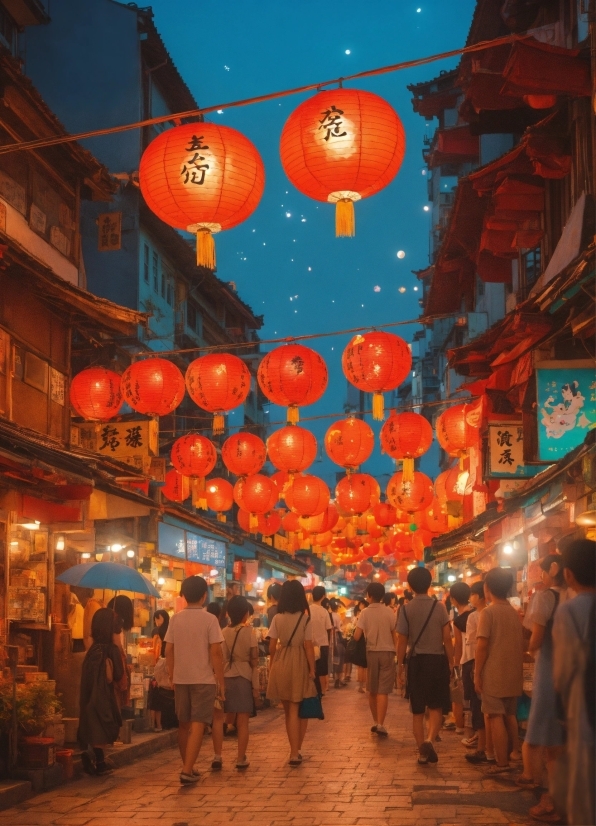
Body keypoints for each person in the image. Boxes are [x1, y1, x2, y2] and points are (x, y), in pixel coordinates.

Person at [515, 554, 567, 822]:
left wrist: (528, 650)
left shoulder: (546, 598)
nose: (543, 576)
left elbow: (536, 636)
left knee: (550, 740)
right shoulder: (575, 598)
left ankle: (551, 799)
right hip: (573, 674)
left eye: (544, 571)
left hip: (549, 671)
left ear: (554, 570)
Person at [165, 575, 225, 785]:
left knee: (183, 724)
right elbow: (216, 652)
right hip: (203, 678)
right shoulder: (210, 619)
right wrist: (221, 680)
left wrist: (172, 675)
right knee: (199, 722)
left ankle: (187, 766)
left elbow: (168, 650)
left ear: (184, 595)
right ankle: (187, 769)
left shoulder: (175, 619)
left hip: (181, 679)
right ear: (204, 596)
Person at [552, 539, 595, 826]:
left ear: (568, 575)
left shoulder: (570, 610)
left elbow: (565, 668)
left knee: (586, 786)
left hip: (586, 703)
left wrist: (559, 711)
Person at [397, 567, 453, 764]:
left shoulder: (405, 609)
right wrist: (451, 663)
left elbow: (402, 641)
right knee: (436, 705)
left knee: (418, 709)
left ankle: (422, 751)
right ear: (430, 584)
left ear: (410, 586)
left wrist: (400, 667)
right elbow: (447, 638)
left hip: (416, 662)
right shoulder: (440, 607)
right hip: (437, 660)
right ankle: (430, 740)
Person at [474, 567, 524, 775]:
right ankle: (516, 754)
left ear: (487, 588)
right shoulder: (514, 612)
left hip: (494, 673)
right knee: (510, 715)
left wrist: (477, 674)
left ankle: (501, 762)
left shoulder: (488, 612)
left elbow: (482, 646)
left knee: (495, 717)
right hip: (513, 673)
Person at [266, 580, 316, 766]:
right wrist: (312, 669)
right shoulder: (305, 619)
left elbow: (272, 647)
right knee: (298, 708)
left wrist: (273, 665)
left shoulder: (277, 618)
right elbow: (308, 646)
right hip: (299, 662)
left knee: (289, 711)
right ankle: (296, 751)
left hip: (282, 661)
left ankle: (294, 749)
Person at [211, 596, 259, 770]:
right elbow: (254, 660)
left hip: (224, 677)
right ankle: (240, 758)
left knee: (218, 718)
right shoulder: (249, 632)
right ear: (246, 613)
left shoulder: (222, 632)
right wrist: (256, 687)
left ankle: (217, 756)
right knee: (242, 721)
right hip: (243, 678)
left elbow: (217, 656)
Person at [77, 608, 123, 776]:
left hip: (89, 695)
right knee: (104, 725)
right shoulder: (112, 649)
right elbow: (118, 675)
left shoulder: (92, 650)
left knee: (93, 723)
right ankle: (99, 761)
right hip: (105, 695)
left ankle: (95, 757)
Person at [354, 582, 397, 737]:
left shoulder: (364, 612)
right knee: (383, 691)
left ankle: (375, 722)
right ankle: (380, 723)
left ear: (369, 595)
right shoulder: (390, 612)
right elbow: (394, 634)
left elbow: (357, 636)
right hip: (388, 652)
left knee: (372, 689)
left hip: (371, 652)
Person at [464, 581, 493, 764]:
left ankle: (482, 748)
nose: (470, 598)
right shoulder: (494, 613)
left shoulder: (475, 616)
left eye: (473, 594)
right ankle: (490, 747)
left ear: (481, 595)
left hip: (476, 662)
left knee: (479, 707)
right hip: (492, 663)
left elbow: (474, 643)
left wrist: (475, 672)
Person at [449, 582, 472, 735]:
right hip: (476, 658)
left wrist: (455, 664)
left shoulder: (458, 621)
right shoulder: (476, 614)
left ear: (453, 600)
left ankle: (459, 726)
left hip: (464, 659)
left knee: (457, 694)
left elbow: (458, 645)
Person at [148, 609, 170, 732]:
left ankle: (156, 724)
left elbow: (155, 651)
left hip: (161, 665)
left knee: (156, 696)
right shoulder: (169, 631)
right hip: (167, 665)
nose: (157, 621)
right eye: (155, 619)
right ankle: (161, 723)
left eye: (158, 618)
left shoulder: (158, 633)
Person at [310, 586, 332, 695]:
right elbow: (329, 629)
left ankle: (313, 690)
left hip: (309, 644)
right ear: (323, 596)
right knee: (322, 671)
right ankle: (322, 690)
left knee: (311, 669)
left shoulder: (307, 610)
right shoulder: (324, 612)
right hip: (323, 644)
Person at [329, 598, 346, 689]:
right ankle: (339, 679)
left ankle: (335, 678)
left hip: (330, 639)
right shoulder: (337, 616)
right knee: (340, 658)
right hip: (337, 639)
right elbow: (339, 628)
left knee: (334, 659)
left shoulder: (329, 615)